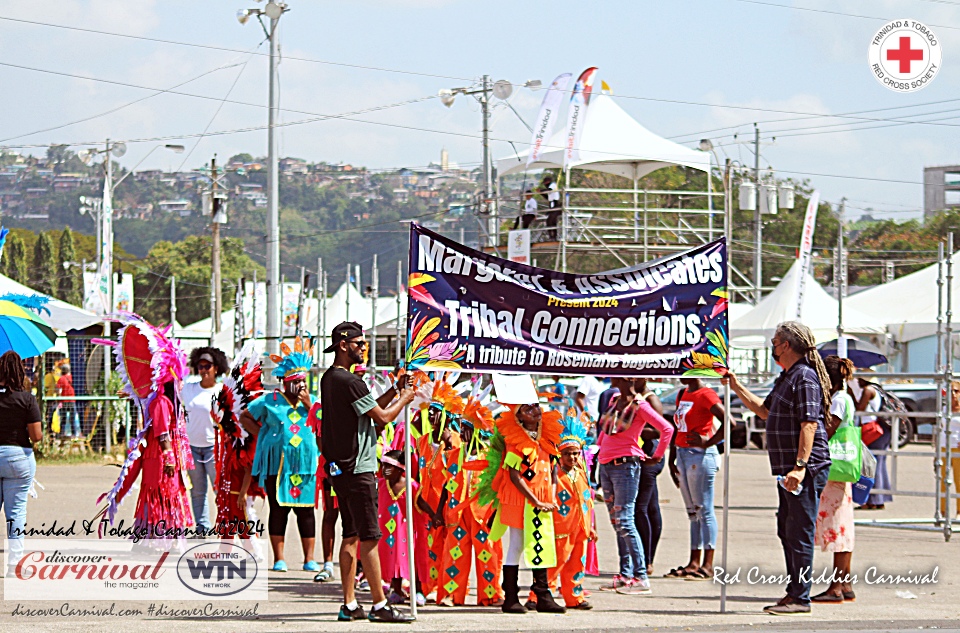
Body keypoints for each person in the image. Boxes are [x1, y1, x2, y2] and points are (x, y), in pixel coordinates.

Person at [723, 321, 832, 615]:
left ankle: (801, 598)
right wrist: (736, 386)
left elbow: (809, 424)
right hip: (786, 467)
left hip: (804, 469)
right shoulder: (787, 377)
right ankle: (794, 591)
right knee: (787, 528)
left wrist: (800, 467)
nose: (772, 347)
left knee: (800, 530)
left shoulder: (805, 377)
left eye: (774, 342)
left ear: (786, 345)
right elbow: (766, 411)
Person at [320, 321, 416, 623]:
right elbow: (383, 418)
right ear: (343, 345)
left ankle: (349, 604)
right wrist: (405, 398)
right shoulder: (350, 381)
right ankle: (379, 604)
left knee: (349, 535)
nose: (365, 348)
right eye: (360, 343)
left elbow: (370, 410)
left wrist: (394, 390)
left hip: (340, 469)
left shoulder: (331, 378)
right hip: (359, 468)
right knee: (369, 536)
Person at [96, 314, 194, 548]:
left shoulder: (169, 400)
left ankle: (160, 540)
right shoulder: (162, 401)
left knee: (167, 494)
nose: (181, 382)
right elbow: (161, 432)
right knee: (159, 494)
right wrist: (169, 457)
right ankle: (155, 541)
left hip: (162, 456)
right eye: (178, 378)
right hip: (158, 457)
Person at [477, 398, 566, 614]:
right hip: (520, 499)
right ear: (518, 417)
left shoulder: (548, 436)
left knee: (541, 542)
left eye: (536, 406)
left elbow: (553, 469)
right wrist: (535, 500)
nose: (535, 411)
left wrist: (551, 497)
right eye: (527, 409)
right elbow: (515, 476)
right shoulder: (515, 441)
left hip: (543, 499)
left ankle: (543, 595)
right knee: (517, 543)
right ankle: (511, 597)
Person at [241, 338, 319, 573]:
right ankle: (280, 559)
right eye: (296, 382)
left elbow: (326, 423)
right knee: (279, 510)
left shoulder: (314, 402)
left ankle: (309, 559)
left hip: (305, 466)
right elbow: (245, 416)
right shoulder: (270, 400)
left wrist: (309, 405)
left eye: (303, 381)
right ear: (285, 382)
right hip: (277, 466)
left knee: (306, 511)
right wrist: (263, 435)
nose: (300, 386)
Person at [596, 377, 673, 594]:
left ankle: (641, 577)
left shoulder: (640, 406)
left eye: (619, 373)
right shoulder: (614, 400)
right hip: (608, 465)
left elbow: (666, 429)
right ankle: (626, 574)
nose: (614, 377)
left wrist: (657, 456)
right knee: (617, 523)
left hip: (625, 466)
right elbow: (606, 431)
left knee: (625, 521)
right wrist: (597, 451)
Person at [526, 409, 597, 610]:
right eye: (567, 454)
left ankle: (574, 597)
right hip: (560, 528)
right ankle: (537, 596)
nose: (572, 457)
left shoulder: (582, 473)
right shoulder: (554, 474)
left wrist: (591, 526)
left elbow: (588, 502)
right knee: (553, 564)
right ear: (559, 454)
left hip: (581, 528)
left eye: (575, 453)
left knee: (577, 563)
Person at [665, 377, 724, 580]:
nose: (680, 374)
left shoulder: (706, 394)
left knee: (704, 509)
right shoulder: (683, 393)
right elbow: (677, 428)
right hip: (683, 454)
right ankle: (694, 561)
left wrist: (708, 442)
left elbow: (728, 421)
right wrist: (671, 457)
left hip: (700, 456)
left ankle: (708, 564)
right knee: (693, 512)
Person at [812, 355, 857, 604]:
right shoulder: (844, 398)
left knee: (838, 528)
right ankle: (845, 583)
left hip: (834, 469)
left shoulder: (839, 400)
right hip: (840, 470)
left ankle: (836, 586)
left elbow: (826, 432)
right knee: (842, 525)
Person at [0, 351, 43, 575]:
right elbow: (36, 436)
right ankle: (14, 564)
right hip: (18, 457)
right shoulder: (27, 399)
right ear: (20, 371)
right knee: (15, 512)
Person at [181, 347, 228, 534]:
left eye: (207, 366)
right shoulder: (189, 388)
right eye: (199, 366)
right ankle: (202, 527)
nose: (203, 370)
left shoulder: (223, 390)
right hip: (192, 447)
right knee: (197, 491)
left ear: (216, 368)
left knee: (219, 490)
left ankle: (225, 524)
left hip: (214, 448)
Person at [634, 378, 664, 575]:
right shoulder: (632, 397)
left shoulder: (650, 399)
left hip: (649, 458)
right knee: (651, 507)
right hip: (641, 456)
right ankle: (647, 558)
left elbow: (660, 430)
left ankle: (646, 558)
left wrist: (631, 427)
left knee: (641, 509)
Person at [849, 373, 890, 509]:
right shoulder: (877, 390)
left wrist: (850, 394)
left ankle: (871, 499)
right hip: (880, 431)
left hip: (871, 430)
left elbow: (859, 408)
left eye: (860, 379)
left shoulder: (868, 390)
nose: (858, 381)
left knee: (870, 465)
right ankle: (879, 499)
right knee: (879, 464)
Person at [939, 381, 960, 520]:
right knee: (943, 481)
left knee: (959, 481)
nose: (953, 395)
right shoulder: (944, 409)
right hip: (943, 447)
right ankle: (942, 511)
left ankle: (959, 512)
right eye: (950, 391)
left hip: (957, 448)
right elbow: (939, 428)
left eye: (956, 391)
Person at [56, 364, 79, 438]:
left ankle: (62, 434)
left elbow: (59, 391)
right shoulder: (73, 377)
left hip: (64, 401)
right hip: (72, 400)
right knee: (72, 419)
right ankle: (74, 434)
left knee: (63, 418)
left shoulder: (61, 379)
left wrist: (58, 399)